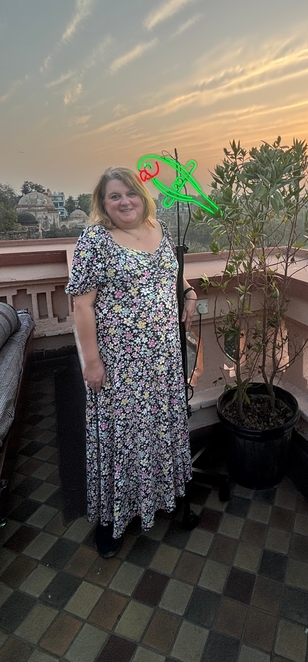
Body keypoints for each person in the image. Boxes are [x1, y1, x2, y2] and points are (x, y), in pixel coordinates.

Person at [66, 166, 196, 558]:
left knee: (160, 429)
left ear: (143, 195)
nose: (124, 202)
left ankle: (160, 501)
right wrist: (92, 362)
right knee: (122, 440)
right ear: (103, 203)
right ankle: (114, 521)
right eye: (114, 196)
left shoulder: (158, 229)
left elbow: (172, 276)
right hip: (120, 363)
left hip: (164, 359)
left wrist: (188, 293)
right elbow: (82, 305)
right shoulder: (96, 240)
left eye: (130, 194)